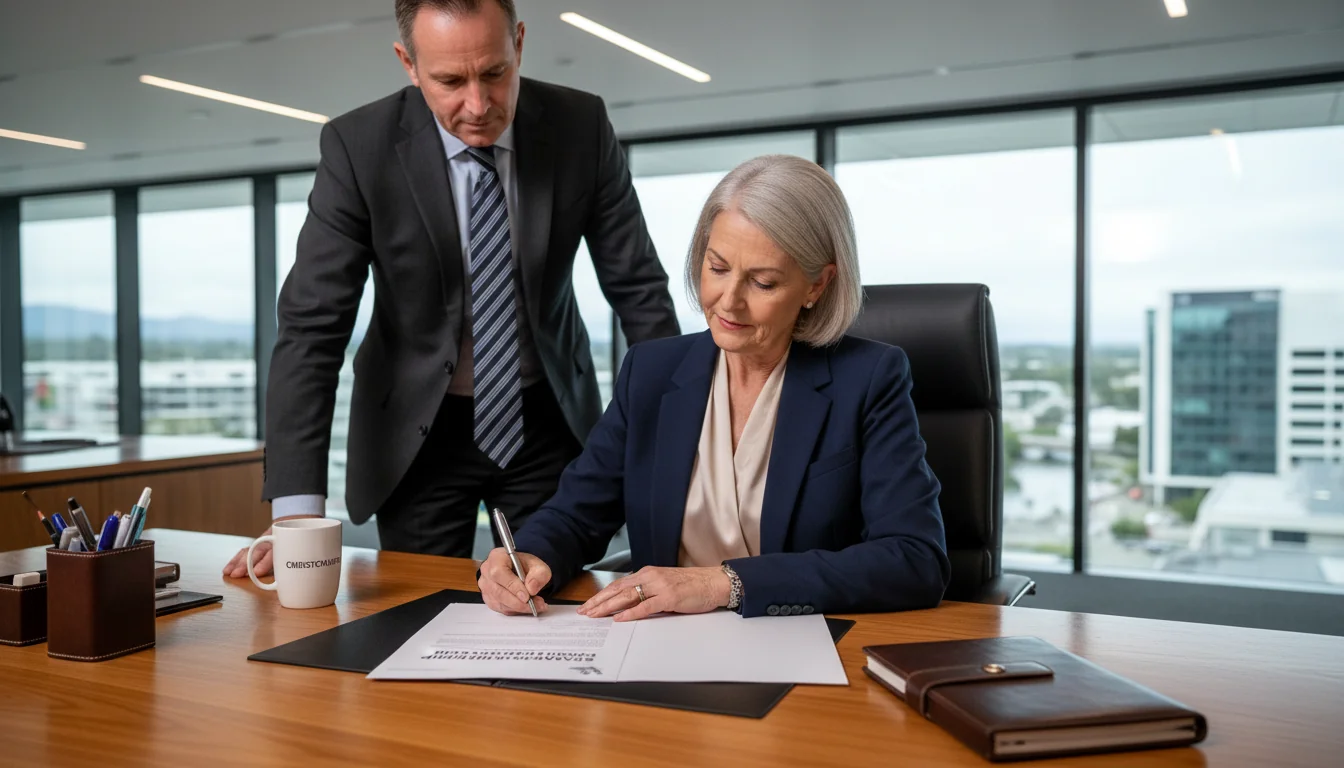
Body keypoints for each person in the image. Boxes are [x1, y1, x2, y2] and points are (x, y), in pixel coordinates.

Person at [225, 0, 678, 579]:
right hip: (417, 435)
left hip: (546, 419)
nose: (478, 104)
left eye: (495, 72)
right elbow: (312, 329)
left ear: (519, 42)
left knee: (551, 605)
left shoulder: (579, 125)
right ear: (408, 64)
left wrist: (674, 444)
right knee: (414, 611)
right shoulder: (358, 147)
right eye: (449, 80)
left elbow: (639, 289)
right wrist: (294, 517)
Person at [478, 154, 950, 619]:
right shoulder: (650, 370)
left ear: (817, 286)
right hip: (657, 642)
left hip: (795, 643)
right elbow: (577, 513)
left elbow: (914, 558)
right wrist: (532, 557)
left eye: (763, 282)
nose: (729, 302)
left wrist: (723, 583)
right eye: (718, 268)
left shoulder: (868, 378)